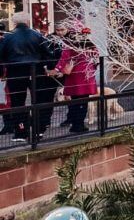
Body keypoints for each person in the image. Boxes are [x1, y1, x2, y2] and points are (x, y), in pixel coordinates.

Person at [0, 13, 48, 142]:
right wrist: (45, 66)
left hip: (15, 71)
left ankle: (21, 132)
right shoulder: (37, 35)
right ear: (27, 21)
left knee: (17, 102)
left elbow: (1, 54)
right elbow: (47, 52)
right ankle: (39, 130)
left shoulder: (8, 36)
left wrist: (3, 69)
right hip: (35, 70)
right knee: (37, 100)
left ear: (14, 23)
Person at [49, 28, 97, 134]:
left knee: (74, 101)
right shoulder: (90, 44)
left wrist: (57, 69)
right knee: (83, 101)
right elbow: (96, 57)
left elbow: (64, 58)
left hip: (75, 76)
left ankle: (76, 125)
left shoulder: (70, 45)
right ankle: (80, 124)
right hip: (87, 75)